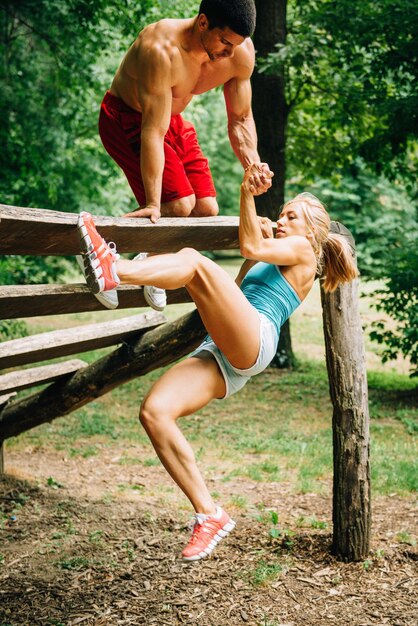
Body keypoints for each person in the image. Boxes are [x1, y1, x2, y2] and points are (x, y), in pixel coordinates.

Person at [76, 164, 358, 562]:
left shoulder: (304, 251)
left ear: (313, 228)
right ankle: (209, 514)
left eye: (290, 216)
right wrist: (253, 224)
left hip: (254, 337)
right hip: (223, 351)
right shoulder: (281, 251)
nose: (280, 221)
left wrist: (247, 194)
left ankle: (114, 271)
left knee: (193, 259)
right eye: (280, 215)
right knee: (155, 412)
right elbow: (239, 278)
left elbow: (247, 250)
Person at [99, 0, 272, 309]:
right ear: (203, 23)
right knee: (179, 205)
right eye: (225, 42)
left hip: (173, 121)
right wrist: (154, 203)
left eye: (237, 44)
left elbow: (241, 119)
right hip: (127, 116)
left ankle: (149, 259)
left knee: (206, 208)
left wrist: (254, 166)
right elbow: (152, 130)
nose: (230, 53)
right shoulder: (160, 47)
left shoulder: (239, 53)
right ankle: (111, 264)